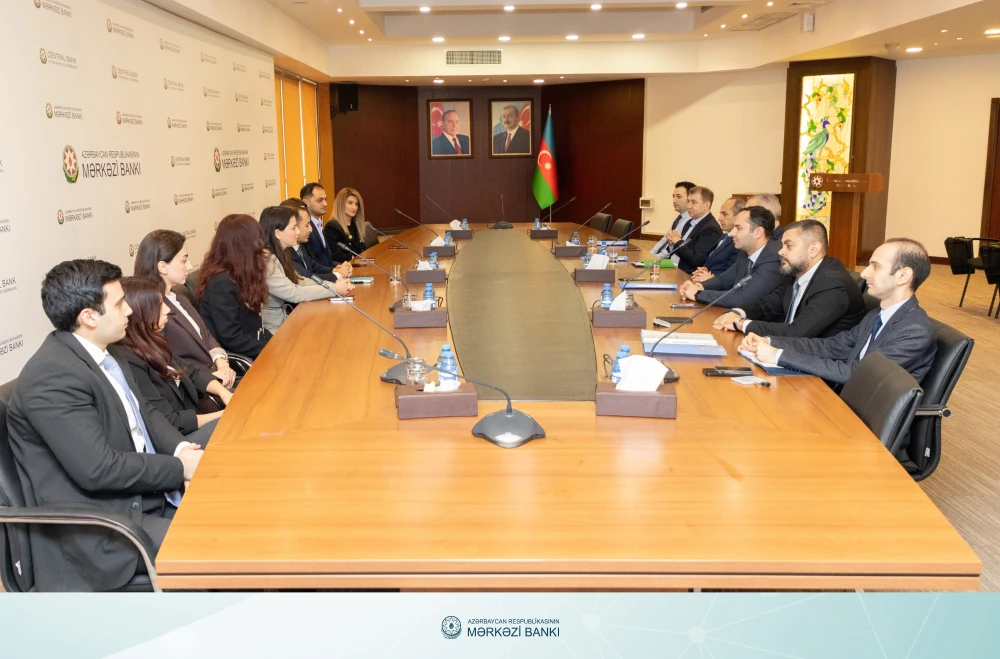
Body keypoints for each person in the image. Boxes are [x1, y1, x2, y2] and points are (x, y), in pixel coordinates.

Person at [6, 259, 203, 591]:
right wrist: (180, 468)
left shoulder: (109, 352)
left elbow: (146, 414)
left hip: (145, 495)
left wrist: (182, 450)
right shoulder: (51, 376)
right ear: (89, 317)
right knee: (215, 546)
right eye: (119, 303)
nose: (129, 310)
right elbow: (99, 469)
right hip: (105, 528)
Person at [741, 238, 936, 385]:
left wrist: (778, 356)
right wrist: (770, 341)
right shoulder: (877, 314)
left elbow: (858, 375)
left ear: (903, 276)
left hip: (861, 419)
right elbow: (831, 346)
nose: (865, 273)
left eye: (875, 267)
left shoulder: (914, 331)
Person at [117, 277, 232, 439]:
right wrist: (222, 415)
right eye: (159, 305)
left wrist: (224, 393)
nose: (167, 310)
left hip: (197, 419)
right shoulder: (131, 362)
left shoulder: (153, 340)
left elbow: (191, 371)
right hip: (180, 438)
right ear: (141, 313)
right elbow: (172, 421)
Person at [714, 219, 867, 339]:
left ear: (813, 249)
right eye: (782, 245)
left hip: (818, 365)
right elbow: (767, 305)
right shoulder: (797, 273)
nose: (780, 252)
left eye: (789, 245)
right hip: (788, 350)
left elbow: (797, 332)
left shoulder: (832, 284)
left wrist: (741, 324)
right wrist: (738, 313)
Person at [133, 229, 236, 389]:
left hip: (219, 377)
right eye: (184, 260)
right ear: (163, 267)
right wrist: (211, 378)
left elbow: (206, 335)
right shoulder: (154, 312)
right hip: (198, 389)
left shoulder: (179, 297)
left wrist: (221, 362)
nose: (189, 266)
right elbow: (170, 362)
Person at [261, 205, 352, 332]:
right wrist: (335, 289)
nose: (298, 232)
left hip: (286, 321)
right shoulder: (267, 261)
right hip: (274, 330)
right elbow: (294, 293)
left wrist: (334, 285)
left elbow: (300, 280)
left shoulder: (282, 253)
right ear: (278, 233)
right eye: (293, 228)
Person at [678, 206, 786, 309]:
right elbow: (723, 280)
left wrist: (697, 294)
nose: (732, 233)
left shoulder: (774, 258)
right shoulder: (745, 252)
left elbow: (742, 298)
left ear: (758, 232)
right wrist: (699, 286)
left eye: (738, 228)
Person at [197, 214, 273, 358]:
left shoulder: (237, 274)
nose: (260, 246)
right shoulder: (221, 282)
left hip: (252, 345)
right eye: (256, 240)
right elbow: (231, 338)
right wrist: (272, 348)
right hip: (238, 357)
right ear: (243, 246)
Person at [280, 198, 353, 283]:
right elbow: (306, 278)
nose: (311, 229)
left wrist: (335, 270)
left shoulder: (299, 245)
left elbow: (315, 267)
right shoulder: (285, 250)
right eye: (307, 225)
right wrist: (338, 275)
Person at [662, 186, 723, 273]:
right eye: (688, 201)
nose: (688, 206)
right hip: (673, 270)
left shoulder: (710, 228)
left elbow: (697, 260)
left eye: (693, 202)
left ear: (706, 205)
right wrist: (672, 243)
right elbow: (680, 251)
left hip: (687, 275)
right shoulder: (689, 222)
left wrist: (678, 242)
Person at [689, 196, 745, 282]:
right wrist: (702, 271)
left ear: (739, 216)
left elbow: (731, 275)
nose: (719, 218)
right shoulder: (725, 236)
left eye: (725, 214)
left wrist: (711, 279)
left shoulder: (739, 242)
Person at [323, 187, 370, 265]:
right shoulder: (332, 227)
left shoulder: (355, 224)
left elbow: (361, 249)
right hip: (345, 268)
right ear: (341, 204)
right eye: (350, 203)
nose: (354, 207)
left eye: (356, 204)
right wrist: (356, 259)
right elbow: (336, 255)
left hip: (358, 264)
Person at [650, 181, 696, 256]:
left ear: (690, 198)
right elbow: (664, 240)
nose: (674, 200)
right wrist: (650, 255)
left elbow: (672, 250)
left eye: (678, 197)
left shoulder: (691, 222)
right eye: (673, 197)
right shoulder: (678, 219)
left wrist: (653, 259)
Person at [300, 182, 335, 268]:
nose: (325, 204)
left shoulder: (318, 224)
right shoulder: (305, 229)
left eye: (325, 199)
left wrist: (341, 267)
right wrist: (334, 272)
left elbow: (327, 261)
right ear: (306, 203)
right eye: (320, 200)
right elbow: (312, 264)